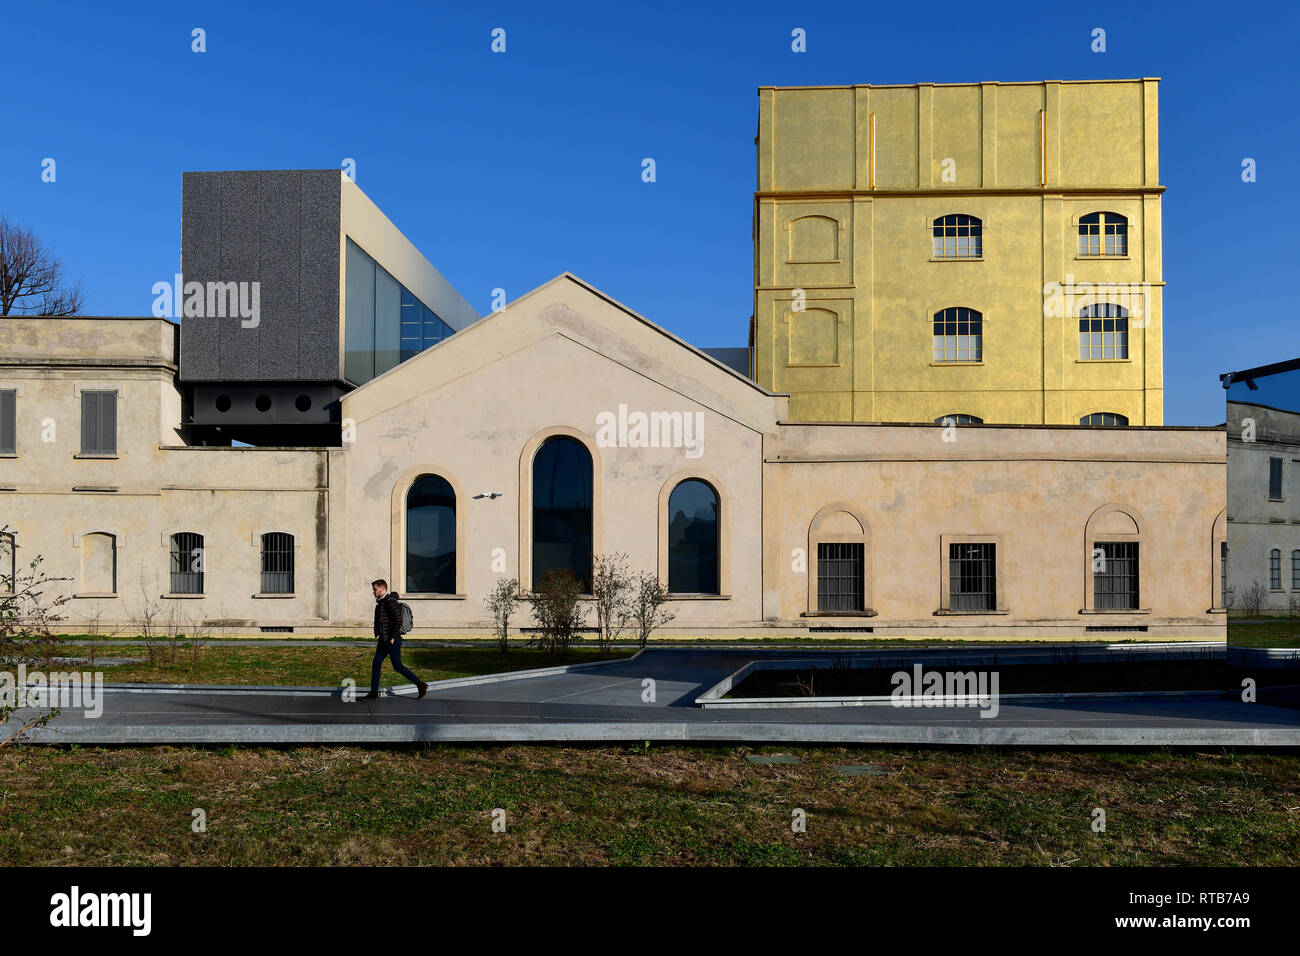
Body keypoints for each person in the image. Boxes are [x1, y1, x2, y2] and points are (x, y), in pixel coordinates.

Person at [362, 579, 428, 701]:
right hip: (384, 639)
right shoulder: (382, 603)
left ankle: (420, 685)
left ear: (382, 589)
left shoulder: (390, 602)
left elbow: (398, 619)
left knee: (398, 666)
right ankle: (373, 693)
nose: (373, 592)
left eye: (375, 589)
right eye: (373, 589)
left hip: (392, 639)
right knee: (376, 664)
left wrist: (392, 636)